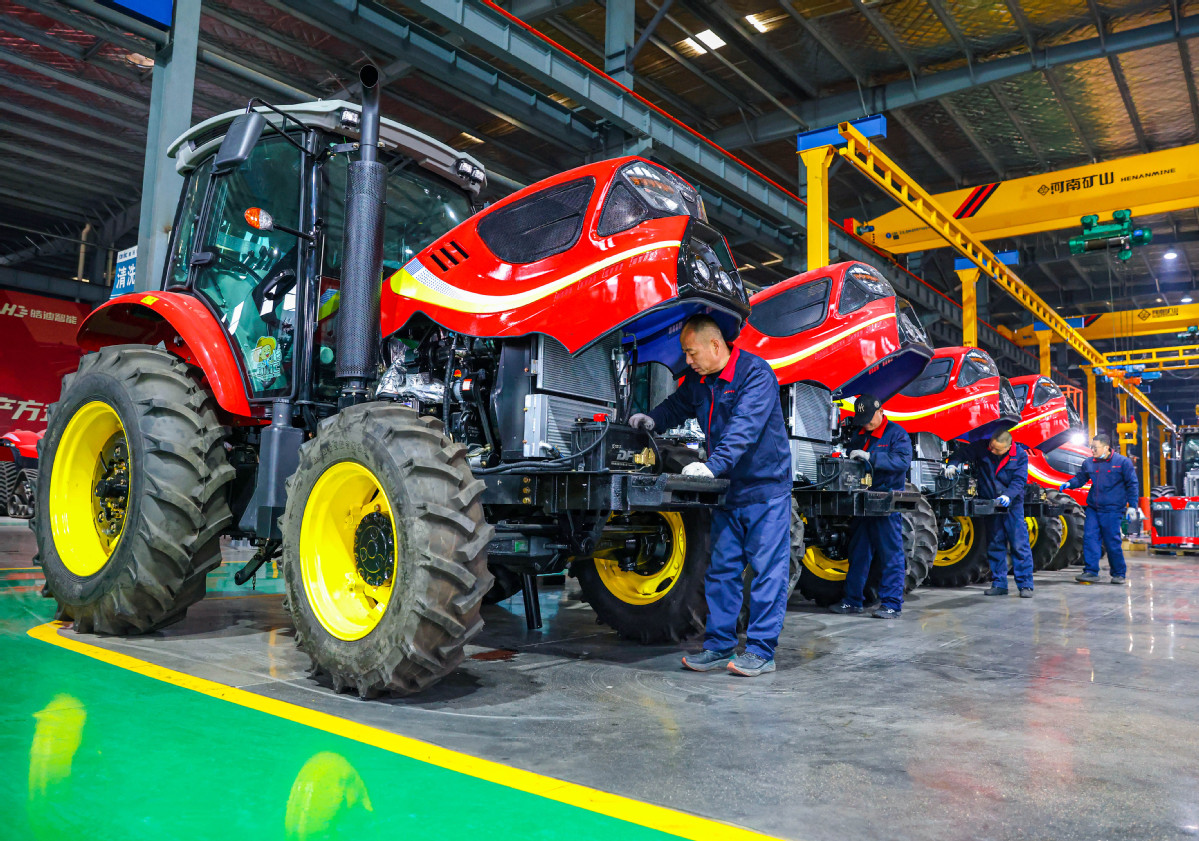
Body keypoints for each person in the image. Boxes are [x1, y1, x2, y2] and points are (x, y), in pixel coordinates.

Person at [628, 314, 792, 677]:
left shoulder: (755, 374)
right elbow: (676, 406)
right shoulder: (699, 382)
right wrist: (651, 420)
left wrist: (712, 466)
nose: (687, 360)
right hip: (729, 490)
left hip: (765, 490)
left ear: (715, 345)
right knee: (721, 571)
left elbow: (744, 428)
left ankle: (761, 651)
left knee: (767, 572)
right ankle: (719, 646)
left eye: (691, 352)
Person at [829, 394, 912, 619]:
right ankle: (852, 600)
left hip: (885, 502)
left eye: (869, 419)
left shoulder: (896, 434)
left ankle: (892, 604)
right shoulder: (860, 435)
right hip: (862, 502)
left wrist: (870, 456)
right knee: (858, 552)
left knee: (890, 554)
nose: (866, 424)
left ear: (880, 411)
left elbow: (902, 462)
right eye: (862, 420)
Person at [944, 429, 1034, 597]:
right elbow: (962, 453)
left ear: (1008, 447)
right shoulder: (982, 447)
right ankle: (999, 584)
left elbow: (1019, 480)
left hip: (1011, 506)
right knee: (994, 543)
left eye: (996, 449)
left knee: (1019, 544)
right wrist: (953, 464)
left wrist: (1008, 495)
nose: (991, 451)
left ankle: (1025, 585)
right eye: (991, 446)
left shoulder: (1020, 455)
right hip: (991, 504)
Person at [1059, 433, 1139, 584]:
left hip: (1113, 509)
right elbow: (1081, 478)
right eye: (1091, 447)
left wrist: (1132, 506)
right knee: (1090, 539)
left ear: (1106, 447)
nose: (1092, 450)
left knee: (1112, 541)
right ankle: (1091, 571)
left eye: (1095, 448)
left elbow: (1132, 485)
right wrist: (1070, 483)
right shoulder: (1089, 463)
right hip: (1094, 508)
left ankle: (1119, 573)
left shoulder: (1122, 462)